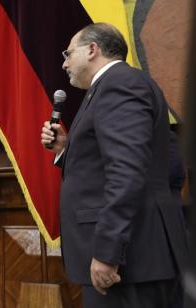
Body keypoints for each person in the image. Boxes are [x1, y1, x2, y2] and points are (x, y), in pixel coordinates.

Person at [40, 23, 188, 307]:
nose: (64, 63)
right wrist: (64, 149)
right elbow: (167, 163)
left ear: (93, 50)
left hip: (128, 262)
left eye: (68, 54)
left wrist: (108, 251)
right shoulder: (121, 85)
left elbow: (127, 171)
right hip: (139, 256)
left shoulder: (118, 84)